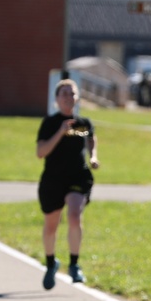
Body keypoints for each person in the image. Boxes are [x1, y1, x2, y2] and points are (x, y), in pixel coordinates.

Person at [36, 78, 99, 290]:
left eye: (71, 93)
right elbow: (41, 152)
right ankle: (51, 262)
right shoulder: (50, 124)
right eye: (63, 94)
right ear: (56, 99)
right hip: (53, 179)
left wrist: (93, 156)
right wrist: (60, 132)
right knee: (51, 226)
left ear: (77, 98)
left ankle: (74, 264)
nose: (68, 97)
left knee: (74, 215)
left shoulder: (82, 124)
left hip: (77, 177)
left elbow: (90, 139)